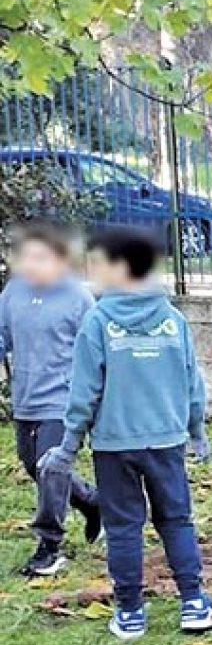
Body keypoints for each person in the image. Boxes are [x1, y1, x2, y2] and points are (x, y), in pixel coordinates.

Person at [39, 227, 212, 640]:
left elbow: (84, 392)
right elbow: (194, 383)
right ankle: (193, 603)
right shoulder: (173, 321)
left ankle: (131, 612)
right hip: (166, 441)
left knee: (122, 527)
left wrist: (68, 446)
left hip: (115, 444)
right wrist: (196, 431)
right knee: (176, 520)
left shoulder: (98, 322)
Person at [0, 223, 103, 575]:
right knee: (35, 466)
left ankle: (49, 545)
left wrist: (93, 400)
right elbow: (3, 336)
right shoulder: (13, 292)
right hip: (25, 398)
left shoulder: (78, 298)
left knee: (51, 467)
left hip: (63, 400)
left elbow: (94, 350)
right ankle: (92, 503)